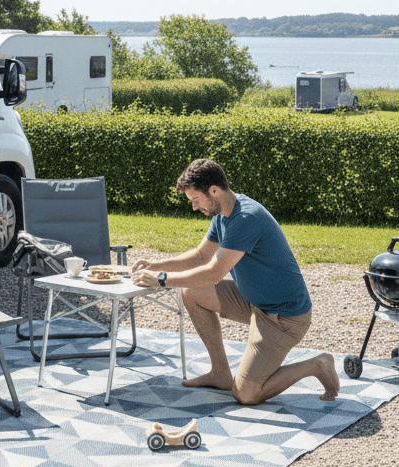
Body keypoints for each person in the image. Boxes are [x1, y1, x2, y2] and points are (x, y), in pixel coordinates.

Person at [131, 158, 339, 405]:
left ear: (214, 191)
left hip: (283, 317)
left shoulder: (245, 217)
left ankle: (317, 364)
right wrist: (157, 265)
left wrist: (161, 279)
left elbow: (213, 273)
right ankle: (220, 373)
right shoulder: (223, 215)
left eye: (196, 200)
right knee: (192, 292)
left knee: (247, 395)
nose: (194, 208)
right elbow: (200, 256)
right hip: (253, 301)